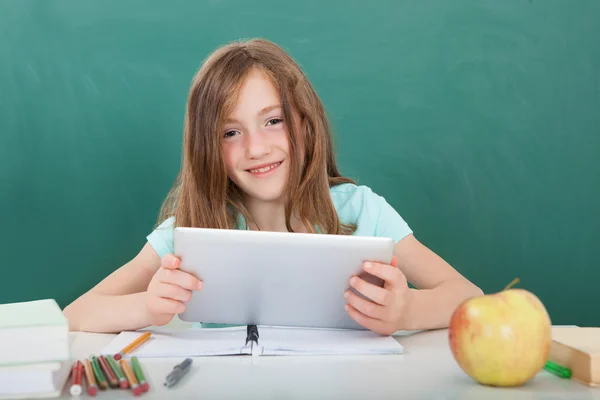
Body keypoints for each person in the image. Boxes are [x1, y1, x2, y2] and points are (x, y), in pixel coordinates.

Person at [64, 38, 482, 335]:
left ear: (304, 122)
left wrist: (406, 310)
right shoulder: (187, 231)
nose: (256, 148)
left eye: (273, 121)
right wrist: (148, 306)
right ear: (207, 148)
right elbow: (77, 314)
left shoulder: (360, 213)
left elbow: (467, 296)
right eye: (230, 133)